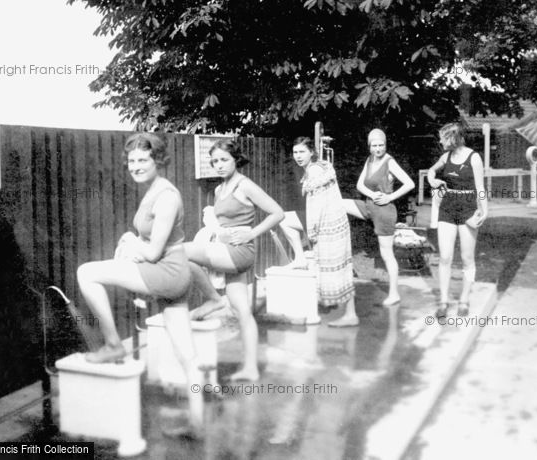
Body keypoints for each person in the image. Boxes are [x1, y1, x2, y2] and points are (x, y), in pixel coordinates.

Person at [76, 132, 203, 435]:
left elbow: (152, 251)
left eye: (143, 160)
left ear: (157, 160)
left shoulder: (167, 196)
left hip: (167, 271)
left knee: (86, 273)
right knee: (189, 356)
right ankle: (197, 424)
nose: (136, 166)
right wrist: (132, 241)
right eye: (131, 161)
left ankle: (112, 344)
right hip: (172, 272)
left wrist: (131, 240)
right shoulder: (153, 189)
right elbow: (148, 242)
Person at [184, 139, 284, 382]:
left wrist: (252, 232)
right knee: (242, 311)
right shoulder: (219, 190)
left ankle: (213, 300)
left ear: (235, 160)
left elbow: (277, 212)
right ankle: (251, 368)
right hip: (224, 248)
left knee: (181, 251)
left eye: (224, 160)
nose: (219, 165)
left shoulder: (245, 185)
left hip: (240, 251)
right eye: (215, 161)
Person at [343, 129, 415, 306]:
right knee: (339, 204)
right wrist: (372, 194)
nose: (378, 148)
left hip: (384, 212)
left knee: (387, 254)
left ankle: (394, 293)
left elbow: (410, 183)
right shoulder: (370, 160)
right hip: (368, 206)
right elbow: (360, 184)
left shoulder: (389, 161)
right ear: (369, 146)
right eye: (374, 145)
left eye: (381, 145)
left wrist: (389, 197)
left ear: (385, 144)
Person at [292, 137, 359, 327]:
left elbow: (317, 206)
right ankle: (350, 313)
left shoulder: (314, 172)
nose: (298, 156)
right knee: (341, 268)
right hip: (335, 223)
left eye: (302, 152)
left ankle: (348, 315)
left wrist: (312, 232)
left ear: (311, 152)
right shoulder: (321, 167)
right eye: (295, 152)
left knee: (333, 268)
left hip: (328, 227)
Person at [426, 123, 488, 318]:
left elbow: (480, 188)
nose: (440, 141)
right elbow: (430, 172)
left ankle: (464, 299)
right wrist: (432, 180)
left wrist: (484, 211)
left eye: (443, 138)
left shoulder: (474, 158)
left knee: (467, 258)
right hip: (448, 206)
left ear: (452, 138)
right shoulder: (446, 157)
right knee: (445, 257)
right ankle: (444, 301)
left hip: (468, 207)